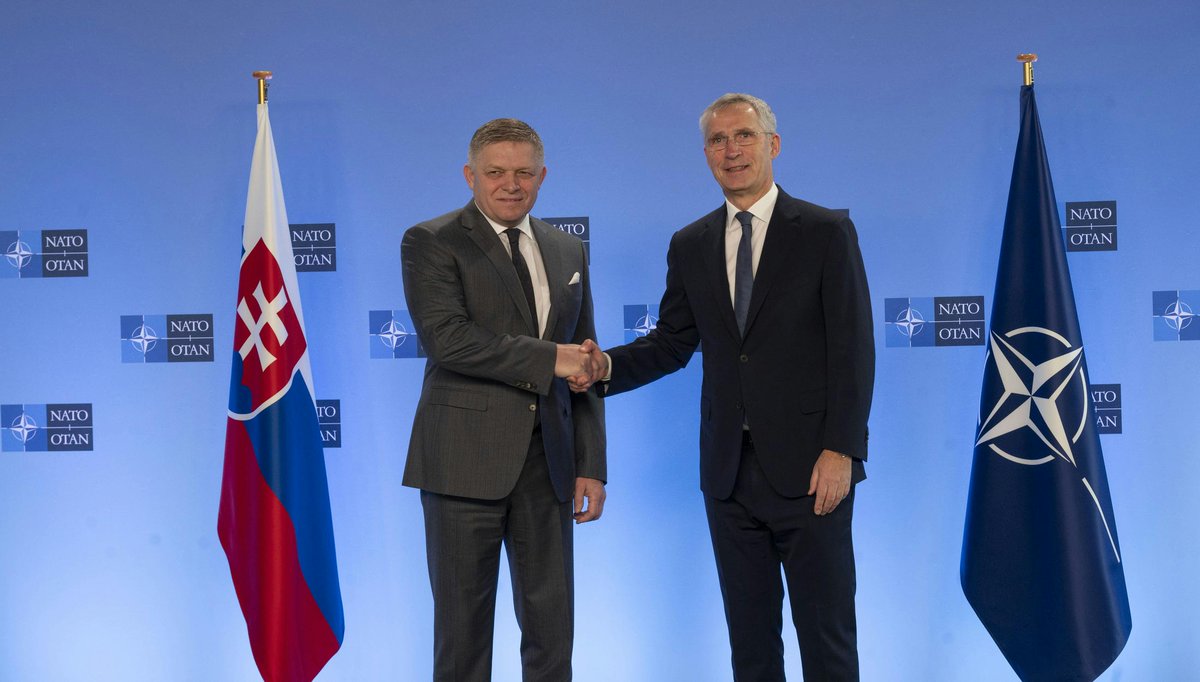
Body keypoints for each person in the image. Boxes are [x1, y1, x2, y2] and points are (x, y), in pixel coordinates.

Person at [579, 93, 874, 680]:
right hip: (728, 476)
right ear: (706, 154)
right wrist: (602, 367)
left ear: (773, 144)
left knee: (828, 641)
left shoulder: (824, 231)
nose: (731, 149)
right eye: (718, 140)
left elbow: (853, 348)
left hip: (813, 473)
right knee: (751, 646)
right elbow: (671, 342)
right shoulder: (690, 243)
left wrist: (842, 449)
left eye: (743, 136)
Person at [401, 118, 606, 681]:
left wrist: (590, 464)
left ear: (543, 176)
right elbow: (449, 339)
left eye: (523, 172)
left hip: (551, 468)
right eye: (495, 172)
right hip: (462, 466)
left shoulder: (568, 249)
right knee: (463, 639)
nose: (510, 184)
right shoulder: (432, 240)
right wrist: (549, 359)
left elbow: (585, 362)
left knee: (552, 636)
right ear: (471, 175)